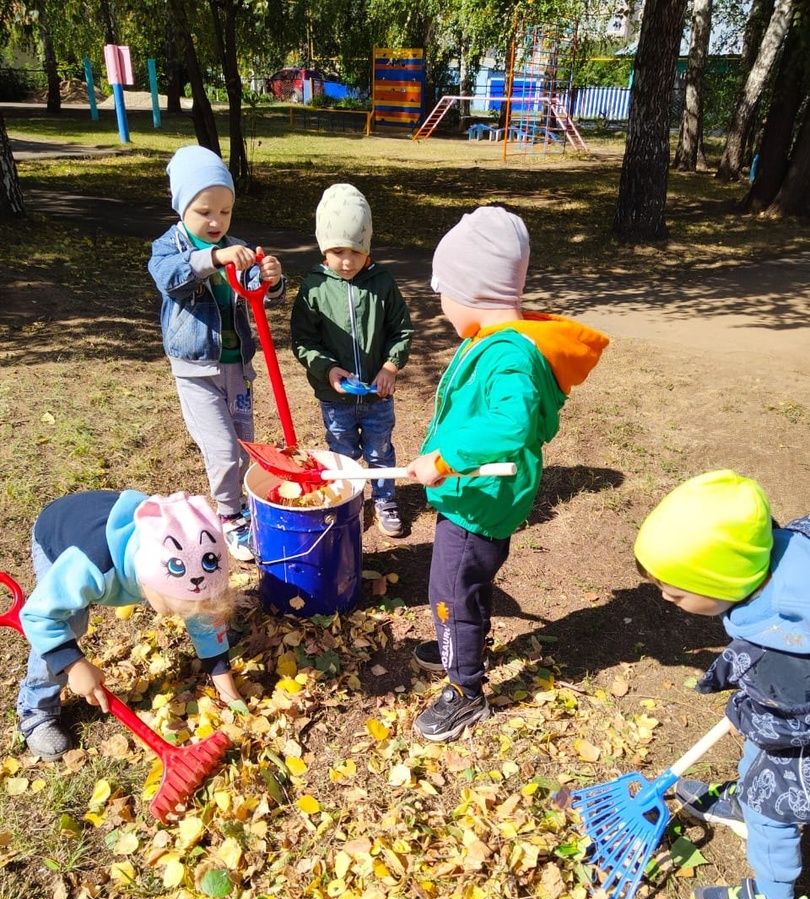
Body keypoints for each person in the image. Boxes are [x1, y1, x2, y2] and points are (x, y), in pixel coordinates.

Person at [406, 205, 609, 742]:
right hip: (478, 495)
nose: (442, 306)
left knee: (450, 588)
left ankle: (465, 688)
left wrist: (445, 458)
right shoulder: (498, 342)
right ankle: (464, 637)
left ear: (473, 293)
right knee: (468, 583)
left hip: (479, 501)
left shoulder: (509, 356)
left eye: (443, 293)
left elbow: (510, 422)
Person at [634, 470, 808, 899]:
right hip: (788, 708)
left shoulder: (784, 648)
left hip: (798, 738)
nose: (666, 600)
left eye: (675, 592)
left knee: (775, 807)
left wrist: (747, 714)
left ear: (723, 581)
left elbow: (786, 724)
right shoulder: (786, 548)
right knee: (757, 761)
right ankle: (746, 802)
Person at [16, 489, 243, 760]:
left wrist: (227, 690)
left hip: (107, 529)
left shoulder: (186, 550)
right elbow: (39, 616)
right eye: (173, 609)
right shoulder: (89, 567)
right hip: (58, 532)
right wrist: (73, 664)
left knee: (198, 605)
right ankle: (36, 709)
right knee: (70, 623)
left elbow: (203, 616)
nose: (178, 615)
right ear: (146, 585)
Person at [148, 144, 285, 561]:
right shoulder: (168, 247)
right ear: (182, 207)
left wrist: (272, 279)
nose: (216, 221)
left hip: (236, 365)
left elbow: (261, 295)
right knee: (223, 448)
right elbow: (170, 278)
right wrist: (212, 257)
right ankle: (230, 517)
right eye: (205, 211)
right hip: (196, 369)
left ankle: (242, 506)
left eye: (224, 212)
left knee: (245, 444)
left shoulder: (236, 246)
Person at [290, 183, 413, 538]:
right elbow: (303, 341)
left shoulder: (382, 282)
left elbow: (401, 329)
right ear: (323, 248)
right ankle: (348, 502)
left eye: (356, 251)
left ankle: (385, 499)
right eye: (337, 251)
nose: (346, 261)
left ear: (368, 248)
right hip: (336, 399)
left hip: (377, 397)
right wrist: (326, 368)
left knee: (381, 450)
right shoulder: (314, 287)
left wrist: (390, 365)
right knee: (342, 454)